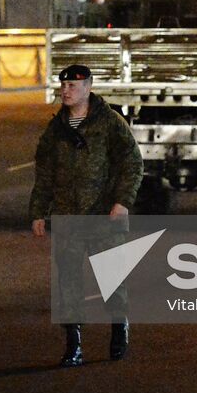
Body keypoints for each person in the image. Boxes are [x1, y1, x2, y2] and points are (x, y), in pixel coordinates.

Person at [29, 64, 142, 367]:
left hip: (103, 215)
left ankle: (119, 328)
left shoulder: (109, 124)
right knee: (68, 283)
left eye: (73, 86)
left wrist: (122, 202)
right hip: (68, 217)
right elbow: (44, 174)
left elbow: (132, 162)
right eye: (63, 85)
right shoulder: (55, 131)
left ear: (88, 88)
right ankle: (73, 344)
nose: (66, 91)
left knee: (112, 279)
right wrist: (38, 212)